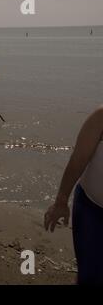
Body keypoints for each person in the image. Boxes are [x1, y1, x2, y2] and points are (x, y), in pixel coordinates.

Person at [44, 108, 103, 284]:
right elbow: (78, 160)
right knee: (89, 275)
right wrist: (61, 201)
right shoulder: (100, 117)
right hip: (91, 210)